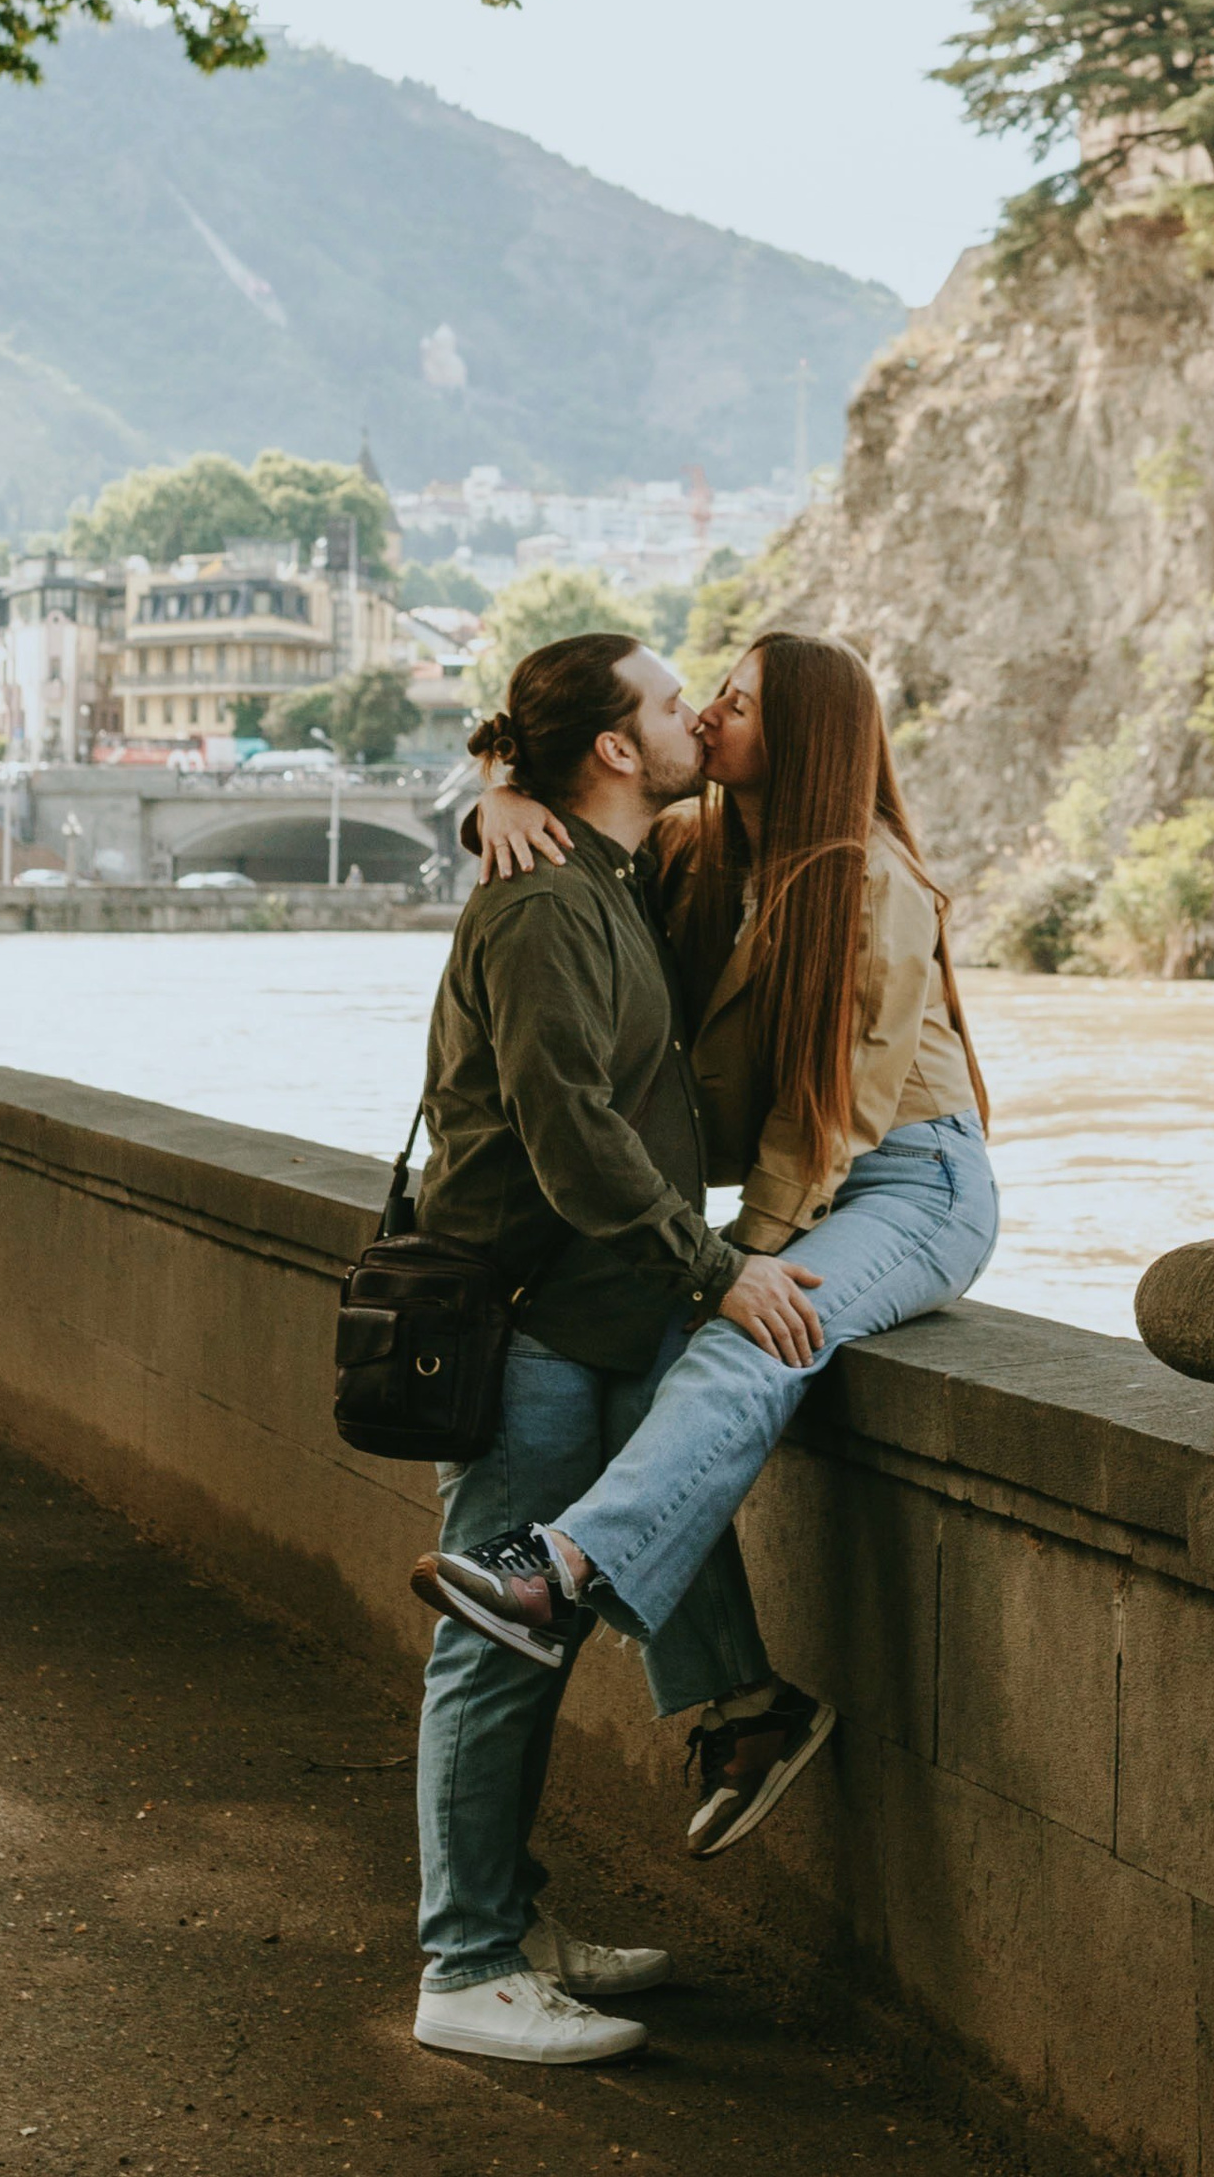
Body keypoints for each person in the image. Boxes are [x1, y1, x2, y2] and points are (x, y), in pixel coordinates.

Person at [415, 629, 1000, 1856]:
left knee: (740, 1347)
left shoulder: (870, 880)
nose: (714, 710)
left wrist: (737, 1267)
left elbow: (823, 1117)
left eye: (735, 699)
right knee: (659, 1358)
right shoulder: (693, 850)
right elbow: (580, 820)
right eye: (704, 696)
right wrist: (498, 794)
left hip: (909, 1179)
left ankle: (561, 1565)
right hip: (807, 1184)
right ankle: (740, 1704)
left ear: (802, 738)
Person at [405, 630, 826, 2068]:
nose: (692, 714)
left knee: (540, 1623)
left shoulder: (603, 868)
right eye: (666, 702)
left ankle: (510, 1930)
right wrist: (718, 1275)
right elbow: (567, 1127)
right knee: (493, 1646)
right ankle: (462, 1968)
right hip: (531, 1319)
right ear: (612, 751)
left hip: (585, 1316)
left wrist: (485, 784)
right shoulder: (539, 905)